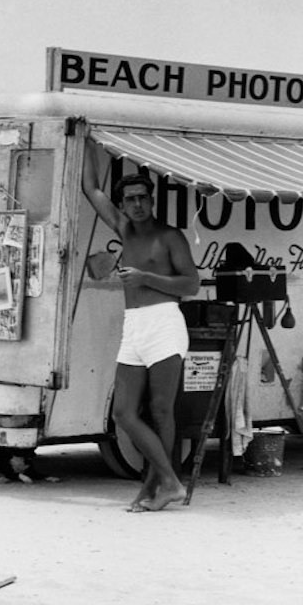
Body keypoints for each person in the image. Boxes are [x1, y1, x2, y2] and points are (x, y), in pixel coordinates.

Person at [82, 142, 200, 511]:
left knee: (162, 410)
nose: (137, 204)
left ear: (152, 199)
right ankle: (168, 481)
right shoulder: (123, 227)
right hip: (135, 326)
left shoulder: (169, 235)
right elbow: (91, 189)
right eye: (130, 199)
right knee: (124, 413)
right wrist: (86, 139)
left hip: (165, 321)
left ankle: (159, 486)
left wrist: (147, 277)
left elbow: (191, 285)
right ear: (123, 204)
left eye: (142, 198)